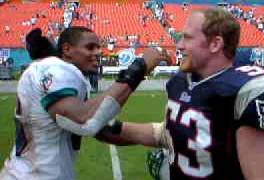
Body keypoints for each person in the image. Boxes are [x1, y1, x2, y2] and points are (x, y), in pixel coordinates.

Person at [91, 8, 264, 180]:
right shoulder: (181, 81)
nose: (179, 46)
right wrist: (112, 128)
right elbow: (170, 132)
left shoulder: (245, 90)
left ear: (215, 44)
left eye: (187, 38)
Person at [0, 26, 166, 180]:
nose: (98, 52)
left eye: (98, 47)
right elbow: (87, 121)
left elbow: (103, 130)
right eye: (90, 47)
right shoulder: (56, 68)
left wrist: (159, 135)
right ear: (67, 49)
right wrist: (140, 68)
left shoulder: (55, 72)